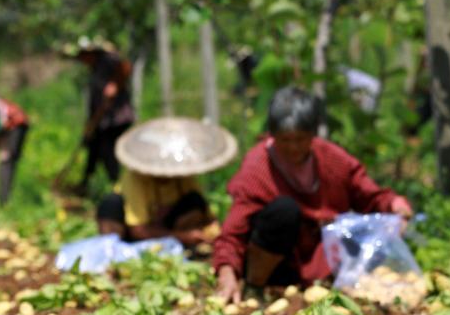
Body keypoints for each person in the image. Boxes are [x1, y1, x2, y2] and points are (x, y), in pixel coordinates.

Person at [212, 86, 412, 303]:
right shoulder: (258, 168)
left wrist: (393, 203)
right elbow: (234, 229)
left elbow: (366, 192)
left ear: (313, 136)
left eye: (300, 139)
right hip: (279, 263)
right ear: (272, 136)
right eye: (285, 140)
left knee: (368, 236)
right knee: (284, 211)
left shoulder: (331, 158)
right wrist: (227, 270)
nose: (293, 147)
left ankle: (333, 282)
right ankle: (255, 287)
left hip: (325, 255)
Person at [66, 38, 135, 193]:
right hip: (102, 120)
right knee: (94, 148)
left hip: (116, 118)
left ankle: (117, 185)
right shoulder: (95, 68)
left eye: (84, 55)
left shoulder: (107, 60)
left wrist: (115, 85)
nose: (83, 60)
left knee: (107, 150)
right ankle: (86, 184)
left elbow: (124, 66)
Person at [96, 171, 215, 247]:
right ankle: (112, 252)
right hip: (134, 234)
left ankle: (178, 244)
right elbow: (137, 230)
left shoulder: (184, 176)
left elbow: (207, 216)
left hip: (168, 227)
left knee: (195, 201)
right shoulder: (135, 177)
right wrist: (183, 236)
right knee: (111, 204)